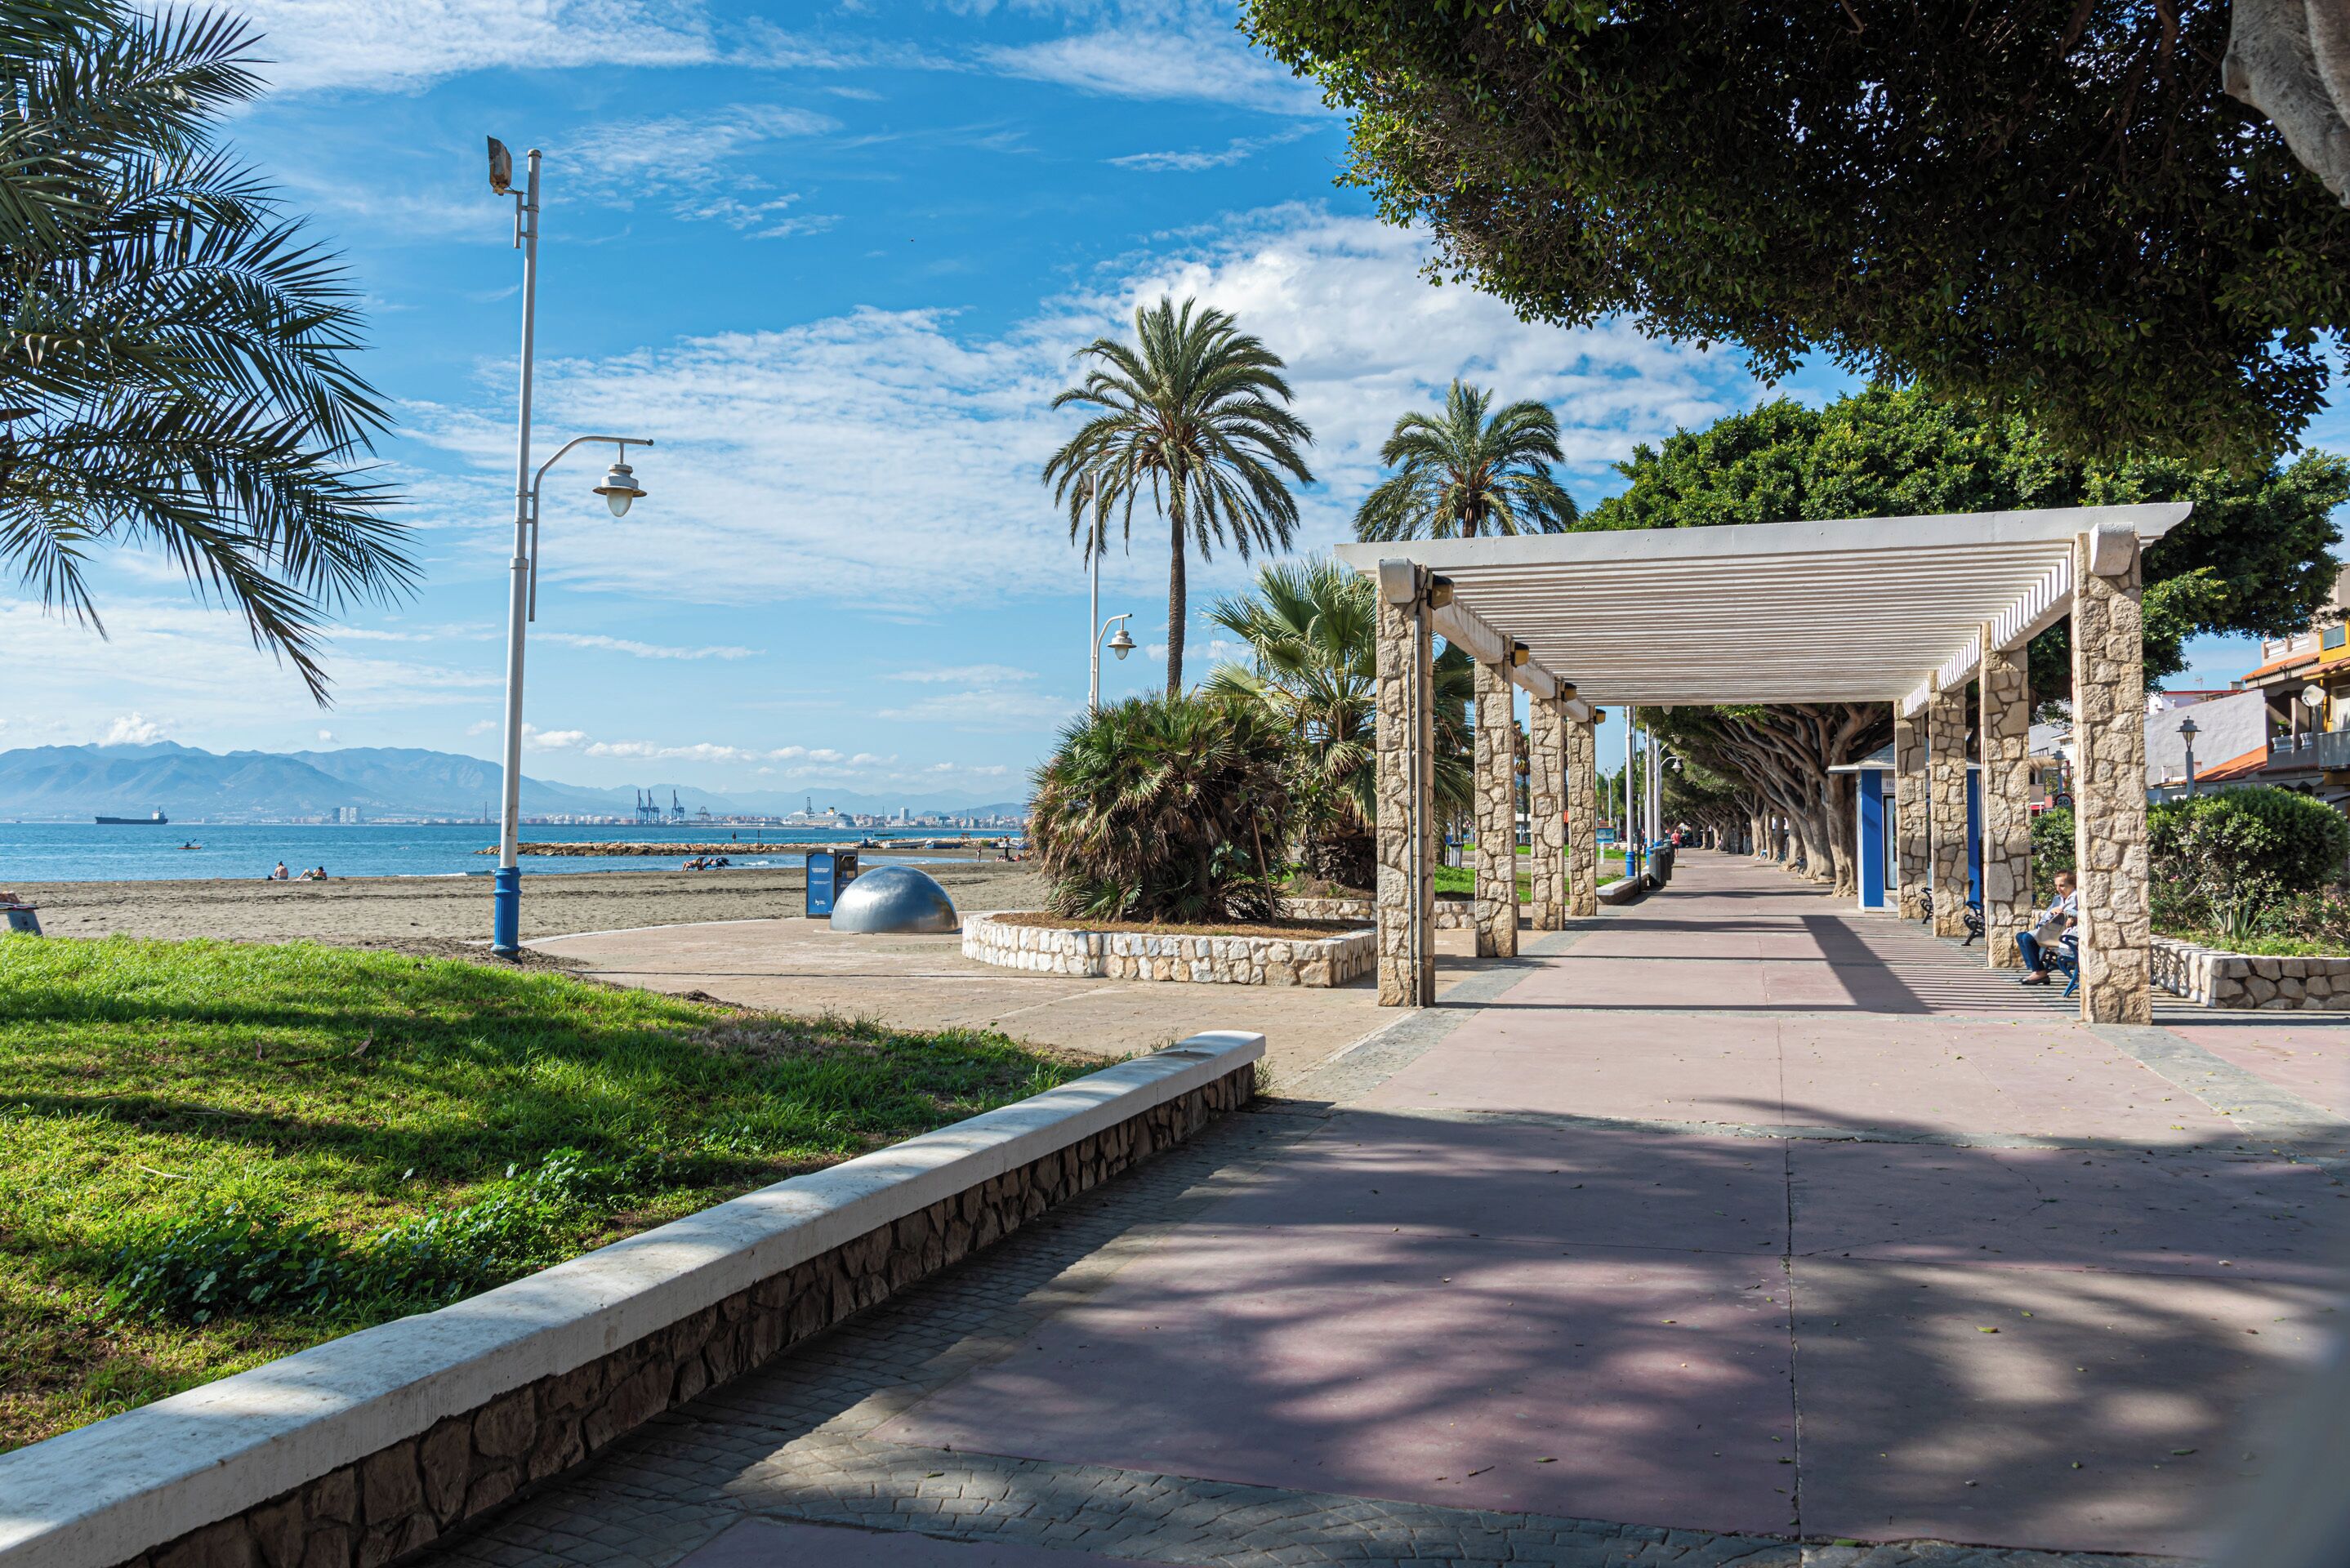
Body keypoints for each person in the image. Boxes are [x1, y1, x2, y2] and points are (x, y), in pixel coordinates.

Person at [2016, 871, 2078, 984]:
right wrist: (2051, 912)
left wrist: (2073, 916)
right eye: (2056, 885)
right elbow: (2045, 917)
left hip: (2065, 934)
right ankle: (2036, 969)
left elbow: (2082, 913)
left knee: (2028, 938)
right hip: (2053, 930)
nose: (2058, 889)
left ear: (2073, 884)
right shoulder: (2057, 899)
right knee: (2020, 936)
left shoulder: (2078, 897)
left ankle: (2039, 972)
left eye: (2062, 885)